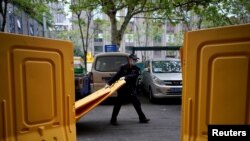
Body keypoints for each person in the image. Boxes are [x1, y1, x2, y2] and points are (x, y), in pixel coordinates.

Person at [107, 53, 150, 125]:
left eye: (136, 60)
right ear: (130, 60)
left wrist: (125, 77)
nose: (135, 61)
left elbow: (134, 75)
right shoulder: (123, 67)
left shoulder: (136, 69)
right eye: (134, 60)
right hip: (122, 89)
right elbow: (116, 76)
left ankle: (142, 118)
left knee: (137, 103)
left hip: (130, 89)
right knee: (118, 104)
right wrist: (108, 83)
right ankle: (113, 120)